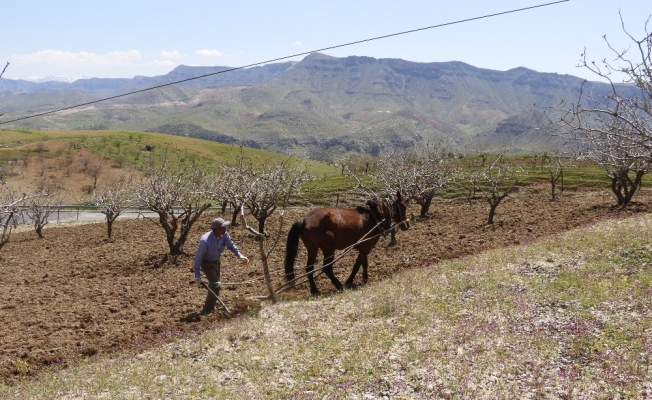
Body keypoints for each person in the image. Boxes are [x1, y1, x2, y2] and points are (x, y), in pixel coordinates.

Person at [193, 217, 249, 316]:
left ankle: (212, 305)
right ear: (217, 229)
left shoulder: (224, 235)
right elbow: (198, 257)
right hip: (206, 264)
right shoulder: (205, 241)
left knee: (216, 284)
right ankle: (207, 309)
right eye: (223, 227)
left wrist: (240, 256)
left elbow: (231, 245)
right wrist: (197, 275)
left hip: (216, 261)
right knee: (215, 284)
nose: (225, 228)